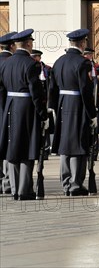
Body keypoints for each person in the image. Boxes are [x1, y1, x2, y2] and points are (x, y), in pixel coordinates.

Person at [0, 29, 49, 200]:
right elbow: (36, 93)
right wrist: (43, 115)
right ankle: (24, 189)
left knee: (12, 148)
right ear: (28, 44)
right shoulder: (31, 64)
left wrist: (4, 108)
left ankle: (14, 189)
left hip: (9, 107)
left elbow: (1, 89)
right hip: (26, 108)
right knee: (28, 147)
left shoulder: (5, 63)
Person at [48, 29, 97, 196]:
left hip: (63, 105)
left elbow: (52, 89)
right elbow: (86, 90)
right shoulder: (83, 63)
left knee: (65, 144)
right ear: (82, 43)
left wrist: (53, 108)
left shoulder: (59, 61)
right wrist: (92, 114)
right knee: (78, 143)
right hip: (77, 105)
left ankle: (66, 181)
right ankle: (76, 183)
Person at [0, 31, 16, 195]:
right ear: (12, 46)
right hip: (7, 111)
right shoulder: (10, 63)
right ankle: (7, 183)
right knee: (8, 147)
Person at [31, 49, 54, 160]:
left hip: (45, 101)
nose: (36, 59)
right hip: (34, 103)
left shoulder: (47, 70)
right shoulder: (31, 68)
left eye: (37, 57)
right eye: (34, 57)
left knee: (46, 126)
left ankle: (45, 149)